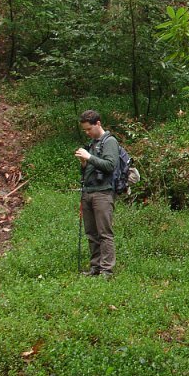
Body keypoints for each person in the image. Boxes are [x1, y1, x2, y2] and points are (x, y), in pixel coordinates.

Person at [75, 110, 119, 277]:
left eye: (89, 129)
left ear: (98, 123)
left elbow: (110, 165)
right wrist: (84, 163)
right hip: (88, 191)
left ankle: (107, 270)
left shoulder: (110, 142)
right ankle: (95, 267)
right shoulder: (92, 144)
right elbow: (89, 170)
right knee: (91, 233)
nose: (87, 132)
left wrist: (89, 157)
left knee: (104, 233)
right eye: (85, 130)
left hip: (103, 193)